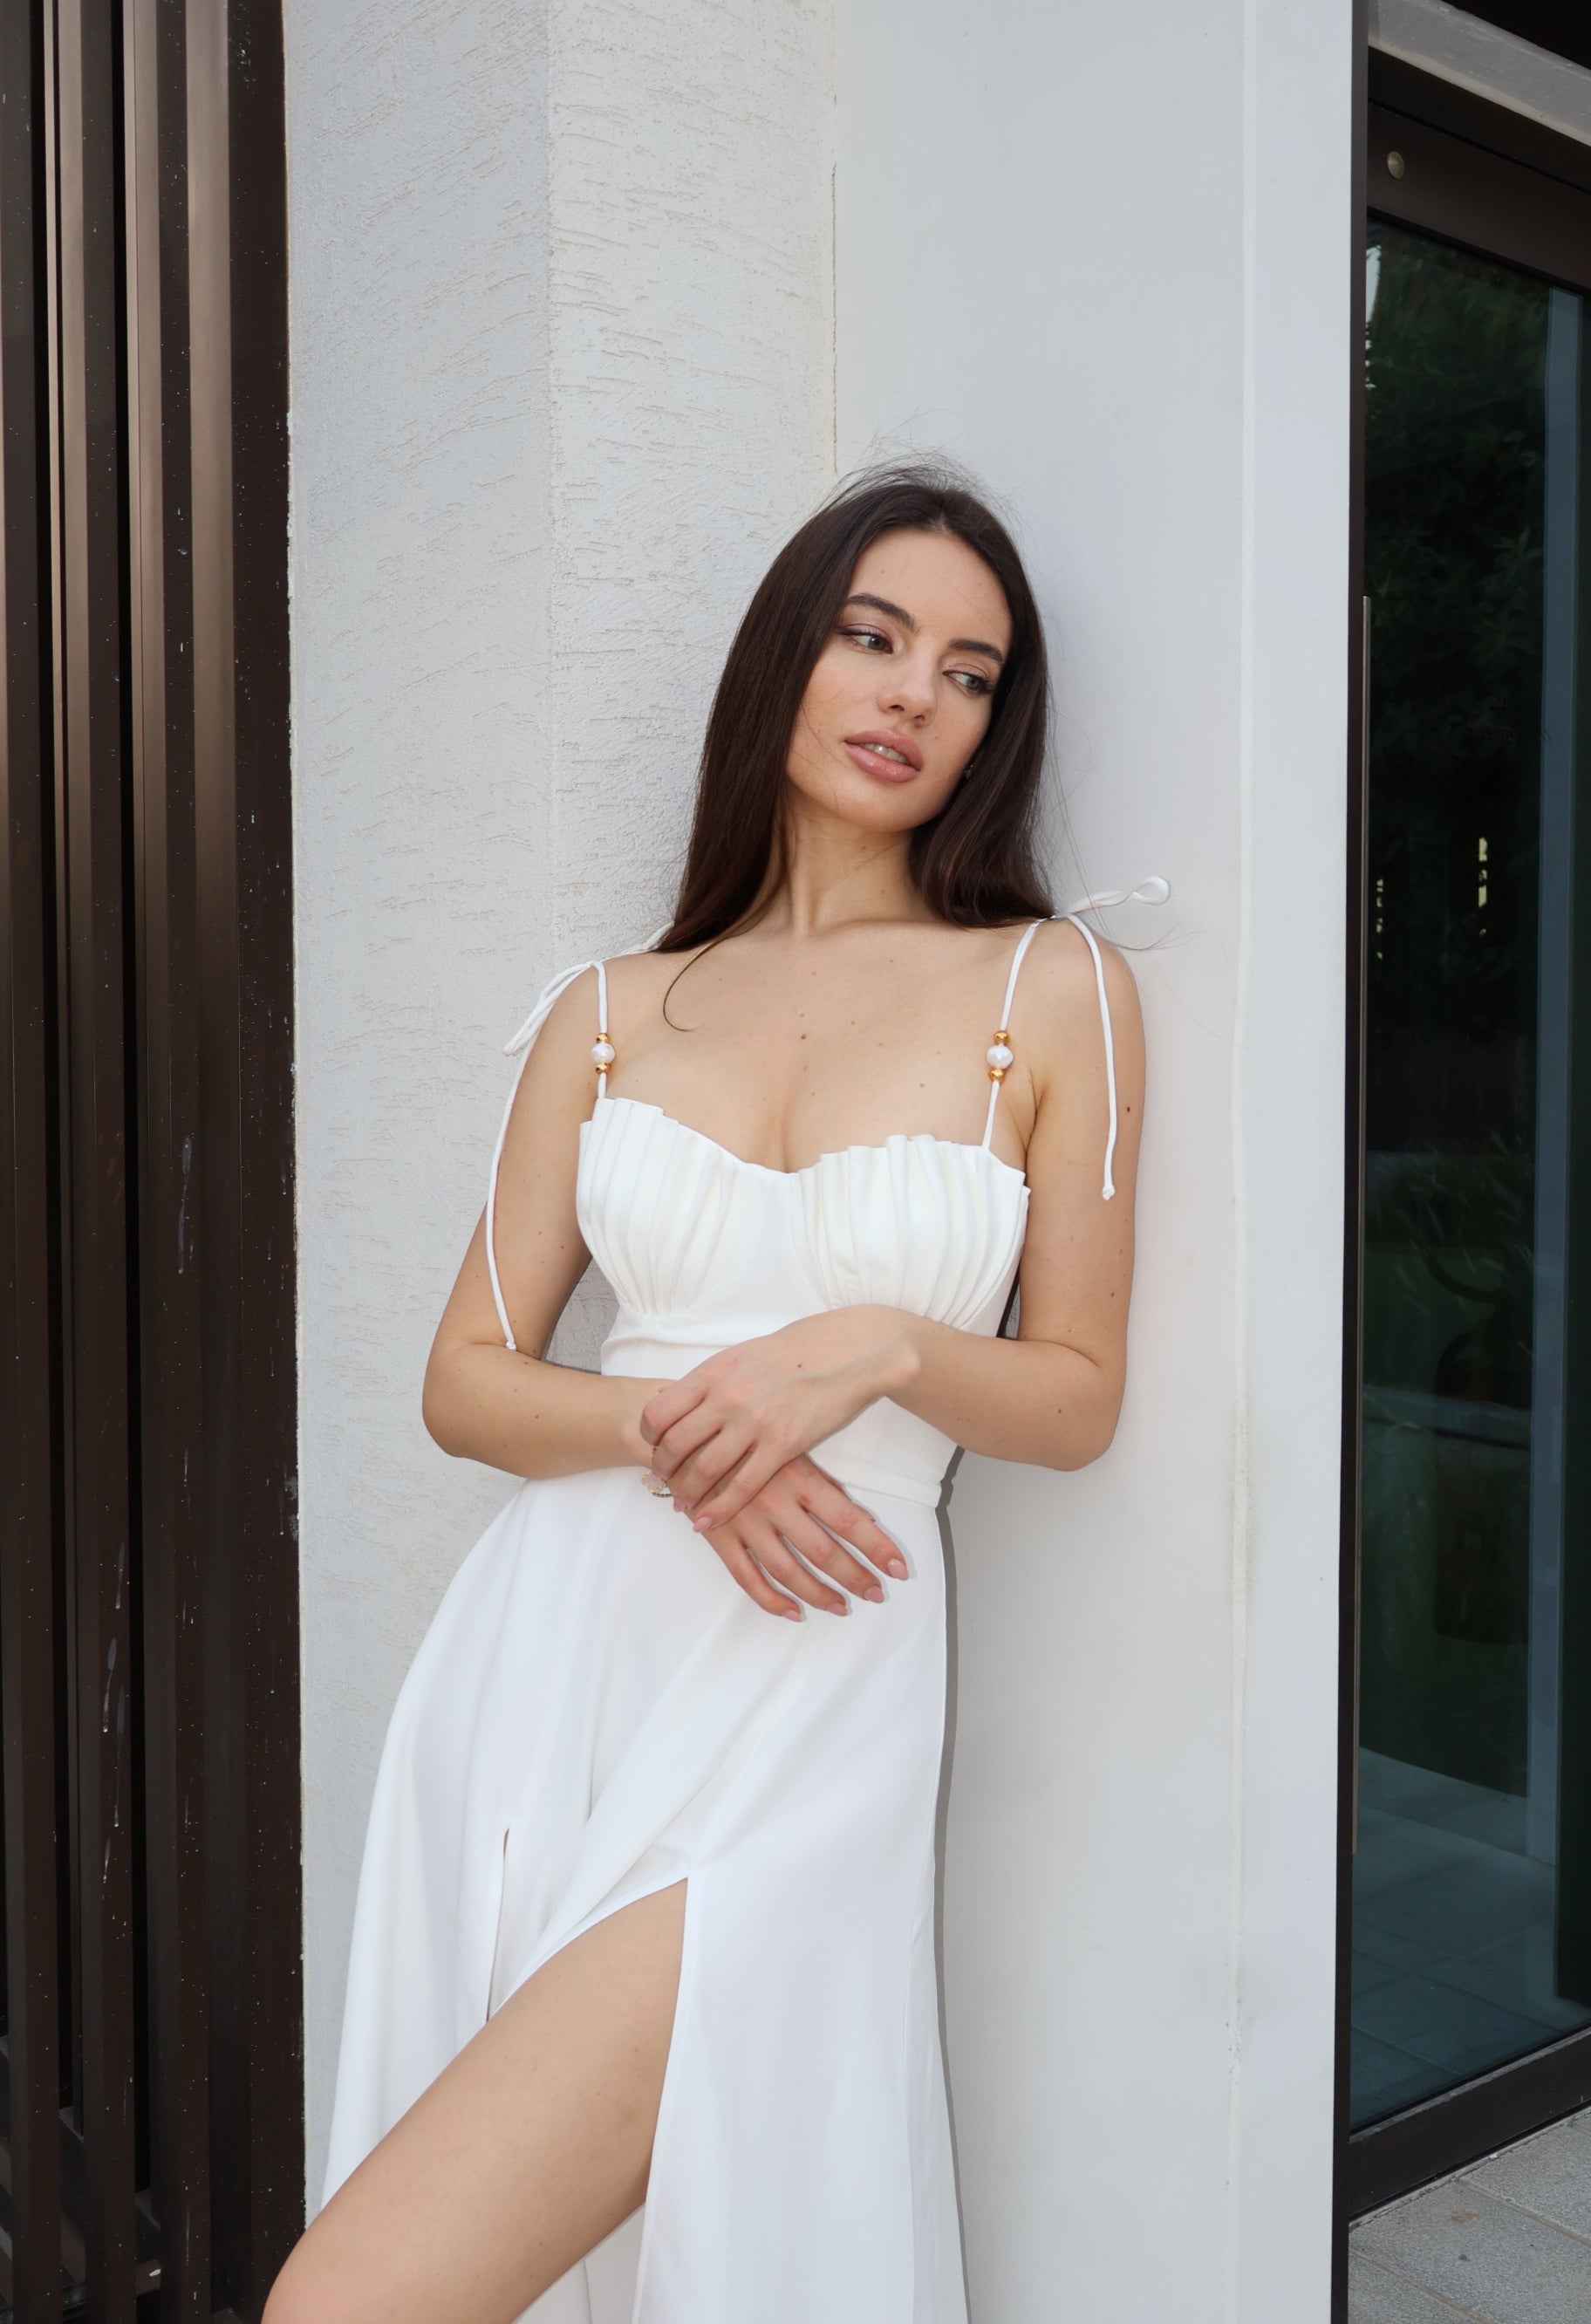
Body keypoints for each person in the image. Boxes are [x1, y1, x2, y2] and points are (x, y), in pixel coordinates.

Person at [269, 467, 1144, 2324]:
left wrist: (876, 1350)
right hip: (557, 1665)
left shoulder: (1050, 986)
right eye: (874, 638)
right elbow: (464, 1382)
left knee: (364, 2296)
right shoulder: (607, 1010)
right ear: (785, 659)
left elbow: (1076, 1398)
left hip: (814, 1689)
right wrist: (682, 1435)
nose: (914, 697)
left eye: (971, 673)